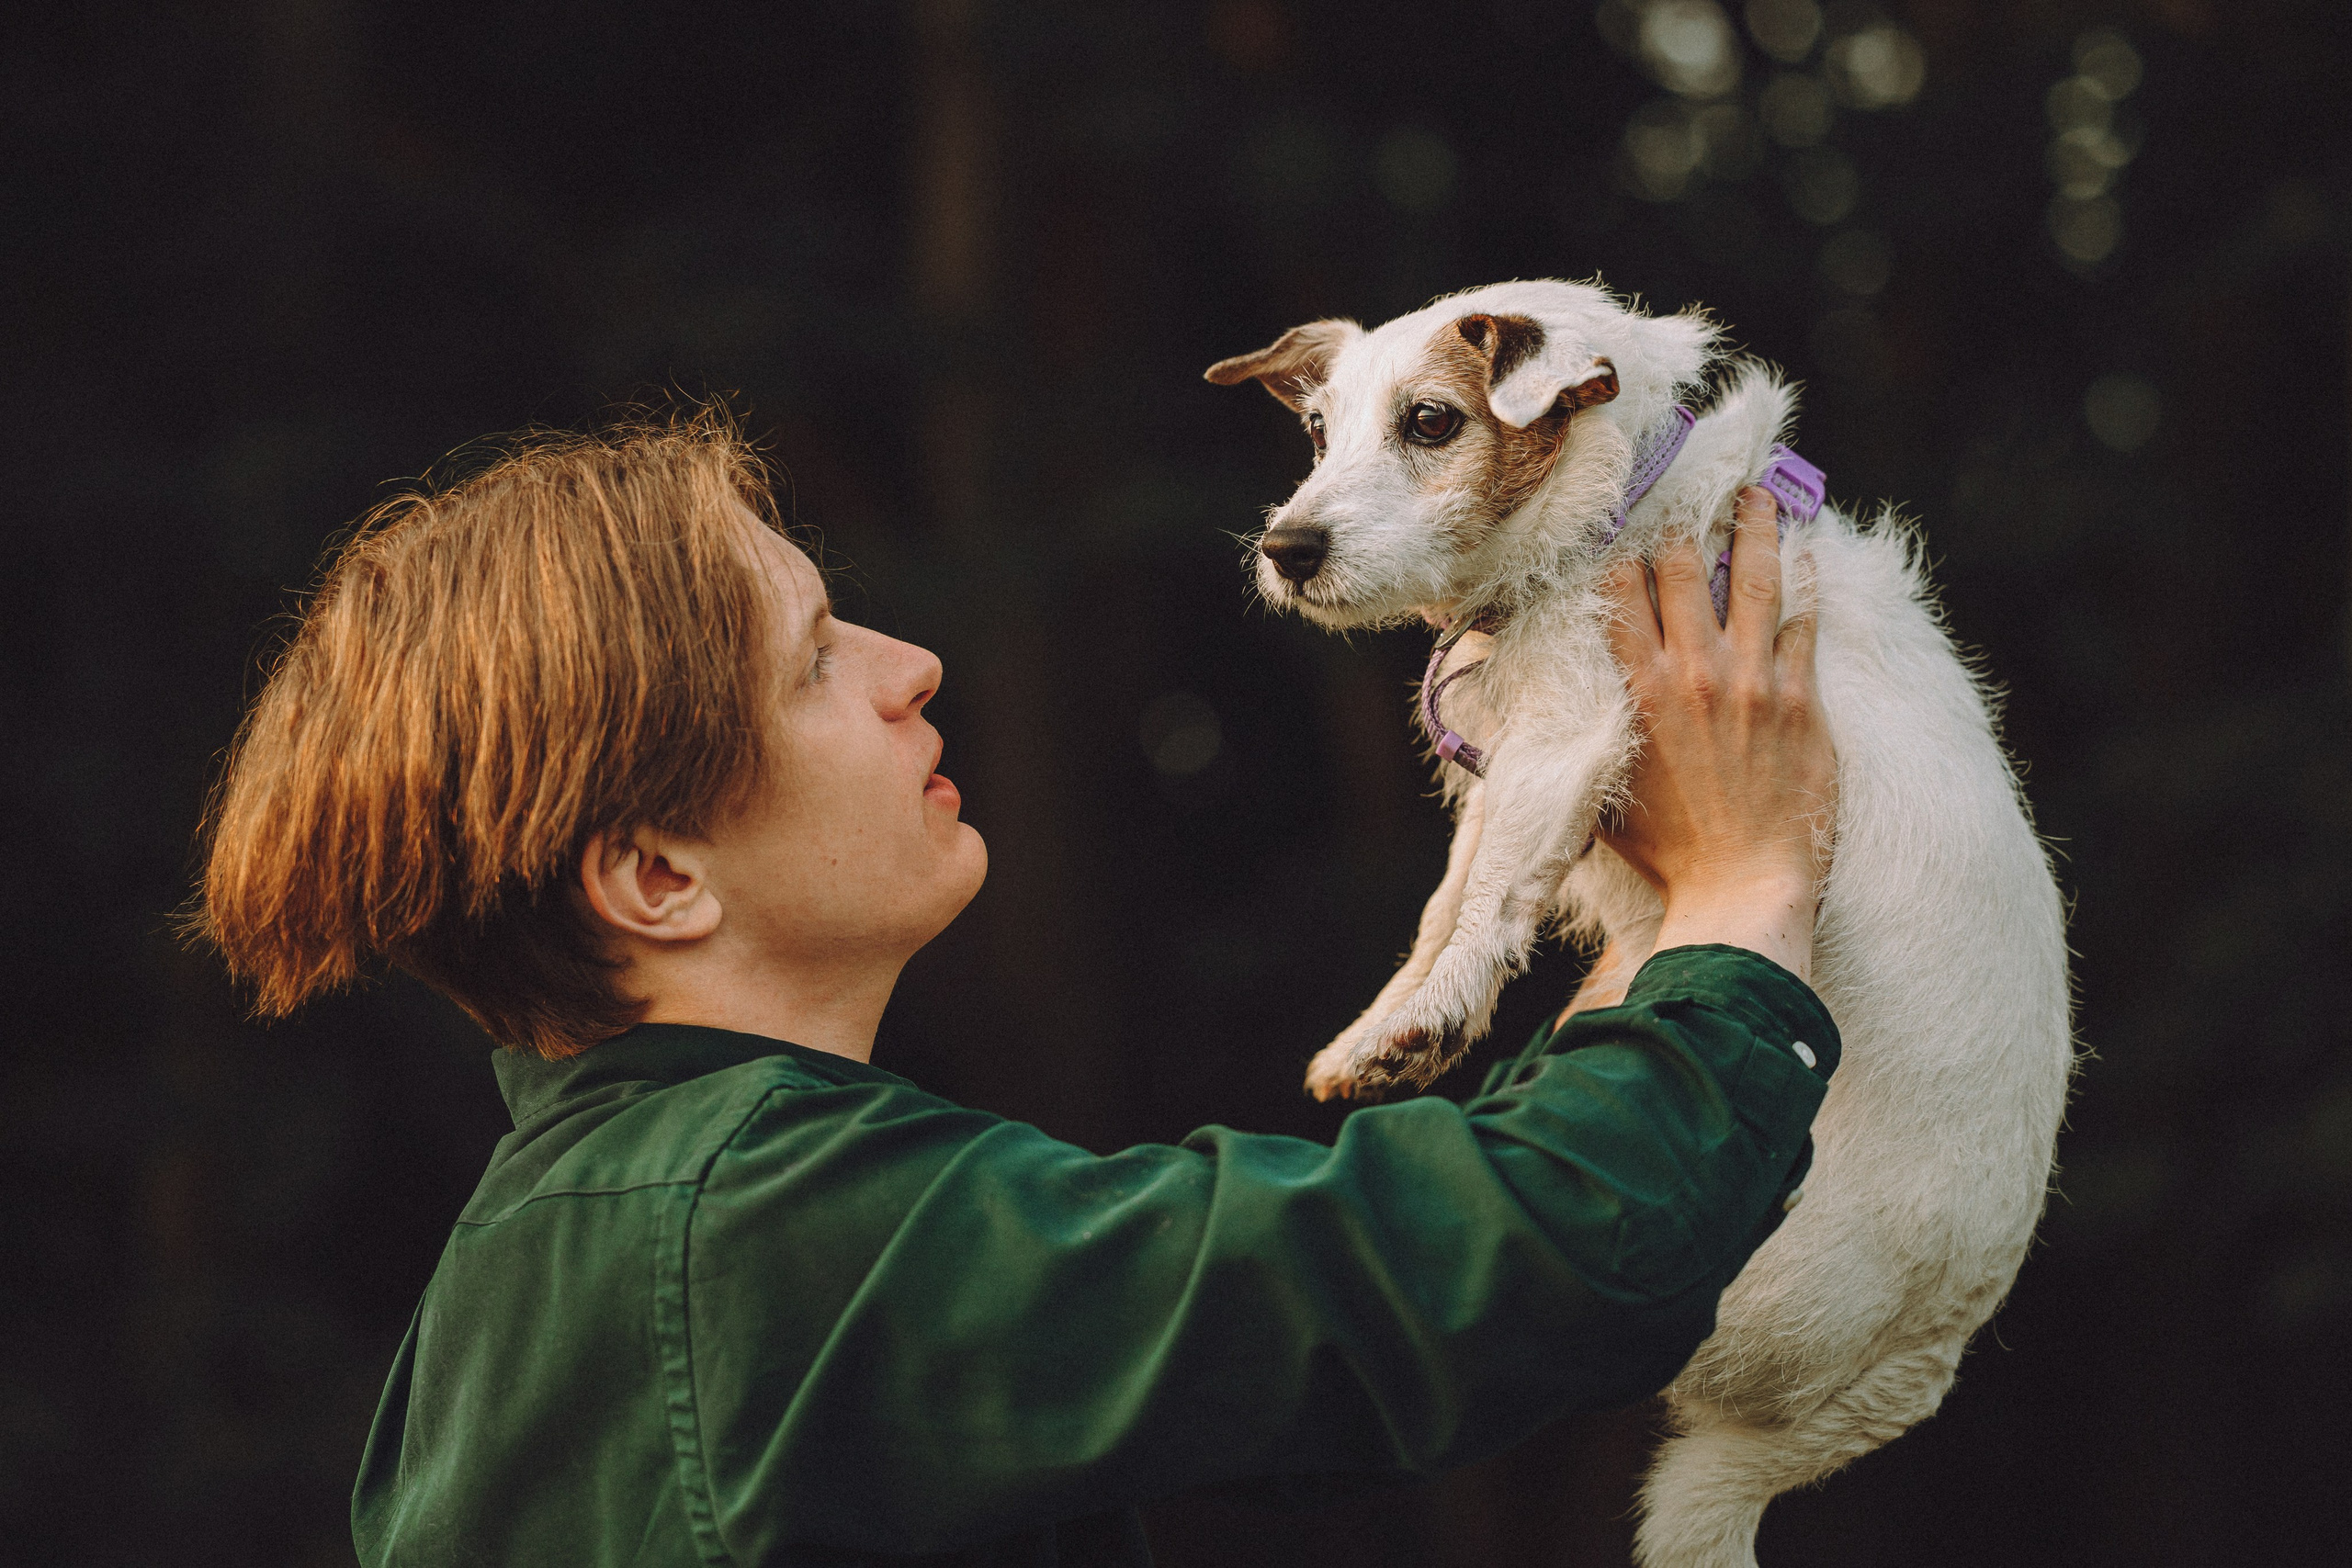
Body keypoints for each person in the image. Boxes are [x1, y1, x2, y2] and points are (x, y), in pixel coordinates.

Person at [189, 412, 1838, 1567]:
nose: (910, 669)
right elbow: (1479, 1274)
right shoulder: (773, 1243)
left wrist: (1660, 910)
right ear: (657, 880)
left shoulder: (537, 1277)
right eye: (814, 656)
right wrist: (1744, 892)